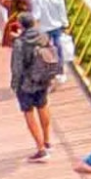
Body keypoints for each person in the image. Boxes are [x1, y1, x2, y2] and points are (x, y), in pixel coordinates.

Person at [9, 12, 61, 161]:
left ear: (21, 25)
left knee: (29, 113)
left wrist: (15, 84)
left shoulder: (20, 42)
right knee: (43, 106)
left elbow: (17, 67)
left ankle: (41, 149)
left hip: (26, 83)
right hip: (43, 78)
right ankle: (47, 140)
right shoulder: (43, 36)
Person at [27, 0, 68, 81]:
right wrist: (65, 23)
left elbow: (36, 14)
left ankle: (49, 72)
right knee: (58, 48)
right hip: (56, 25)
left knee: (46, 51)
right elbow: (62, 9)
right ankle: (60, 72)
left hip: (43, 28)